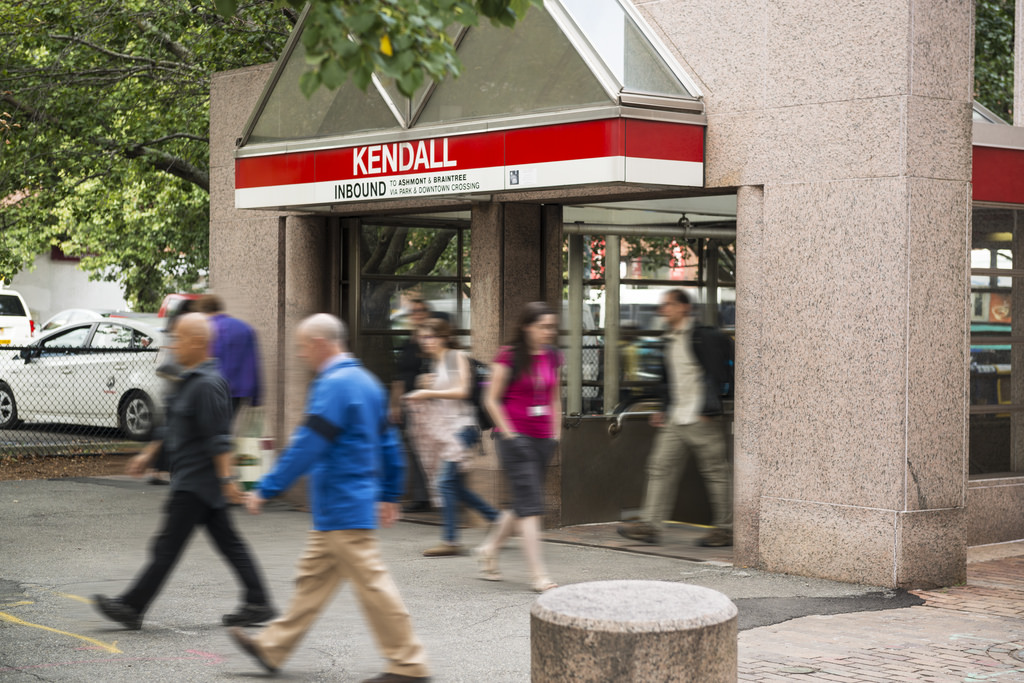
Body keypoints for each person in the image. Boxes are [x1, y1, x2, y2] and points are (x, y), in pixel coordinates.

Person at [228, 313, 430, 683]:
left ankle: (408, 664)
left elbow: (307, 446)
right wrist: (390, 493)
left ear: (321, 343)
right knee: (312, 582)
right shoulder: (368, 383)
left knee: (373, 585)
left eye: (304, 346)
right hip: (346, 505)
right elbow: (389, 443)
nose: (303, 354)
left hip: (342, 505)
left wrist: (267, 489)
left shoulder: (333, 385)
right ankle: (271, 649)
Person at [92, 313, 275, 630]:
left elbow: (218, 438)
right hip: (196, 482)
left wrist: (227, 479)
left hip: (197, 483)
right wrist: (148, 453)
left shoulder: (209, 385)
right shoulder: (187, 380)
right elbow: (172, 425)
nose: (173, 344)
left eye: (178, 338)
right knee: (229, 544)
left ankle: (132, 606)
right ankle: (258, 601)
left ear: (198, 342)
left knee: (167, 546)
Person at [617, 288, 733, 547]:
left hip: (701, 418)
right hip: (675, 419)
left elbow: (719, 375)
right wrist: (664, 408)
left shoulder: (703, 337)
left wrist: (709, 409)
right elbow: (670, 380)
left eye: (668, 304)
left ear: (684, 307)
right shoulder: (669, 339)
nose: (663, 309)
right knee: (659, 467)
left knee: (715, 472)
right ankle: (650, 525)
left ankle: (725, 528)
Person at [475, 302, 561, 593]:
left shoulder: (552, 356)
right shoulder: (508, 356)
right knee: (532, 507)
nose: (549, 331)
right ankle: (538, 575)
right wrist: (512, 435)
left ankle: (489, 549)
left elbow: (555, 397)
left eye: (551, 326)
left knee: (523, 503)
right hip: (514, 439)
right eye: (543, 326)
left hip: (543, 439)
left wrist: (556, 435)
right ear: (527, 326)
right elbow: (491, 400)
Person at [404, 317, 499, 557]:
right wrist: (424, 388)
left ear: (443, 337)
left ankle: (451, 540)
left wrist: (428, 391)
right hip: (446, 431)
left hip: (464, 428)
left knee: (445, 482)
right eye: (422, 337)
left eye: (430, 336)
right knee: (453, 484)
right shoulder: (433, 366)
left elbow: (463, 391)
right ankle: (497, 519)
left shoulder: (456, 357)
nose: (426, 342)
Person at [389, 297, 432, 512]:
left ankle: (431, 495)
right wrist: (394, 404)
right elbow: (400, 377)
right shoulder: (408, 343)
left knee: (425, 450)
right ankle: (420, 496)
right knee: (413, 450)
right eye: (414, 311)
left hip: (425, 405)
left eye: (421, 310)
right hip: (408, 403)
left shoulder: (430, 342)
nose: (418, 314)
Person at [198, 294, 262, 419]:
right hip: (240, 391)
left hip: (215, 389)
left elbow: (209, 361)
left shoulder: (209, 328)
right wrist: (256, 397)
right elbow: (254, 363)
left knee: (215, 428)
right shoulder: (244, 327)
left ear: (203, 310)